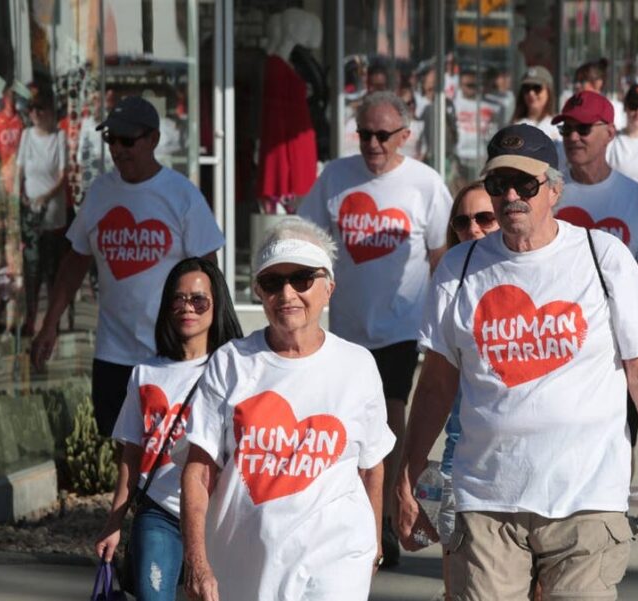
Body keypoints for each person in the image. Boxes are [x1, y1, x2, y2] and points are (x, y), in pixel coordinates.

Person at [395, 123, 638, 599]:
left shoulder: (604, 257)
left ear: (554, 189)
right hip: (487, 499)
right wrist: (408, 476)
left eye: (526, 184)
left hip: (587, 500)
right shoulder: (460, 267)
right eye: (499, 185)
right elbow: (435, 384)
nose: (511, 195)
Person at [180, 218, 396, 601]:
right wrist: (196, 560)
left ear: (328, 288)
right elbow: (199, 471)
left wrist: (374, 540)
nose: (287, 293)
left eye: (302, 278)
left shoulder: (358, 365)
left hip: (338, 554)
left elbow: (372, 464)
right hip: (246, 562)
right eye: (272, 282)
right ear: (260, 293)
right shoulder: (232, 362)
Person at [298, 90, 450, 567]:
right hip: (345, 327)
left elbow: (443, 254)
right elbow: (305, 238)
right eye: (364, 133)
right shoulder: (335, 178)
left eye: (383, 135)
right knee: (344, 423)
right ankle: (349, 512)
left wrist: (440, 320)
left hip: (401, 325)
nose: (373, 144)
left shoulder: (425, 184)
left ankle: (387, 517)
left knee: (389, 416)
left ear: (404, 135)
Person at [30, 95, 225, 436]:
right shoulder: (100, 193)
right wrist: (49, 324)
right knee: (118, 444)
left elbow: (209, 273)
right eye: (111, 140)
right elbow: (75, 262)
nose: (117, 149)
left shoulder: (181, 195)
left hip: (170, 350)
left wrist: (210, 343)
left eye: (127, 140)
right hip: (113, 351)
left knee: (167, 451)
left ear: (153, 140)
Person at [95, 258, 242, 601]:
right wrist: (113, 522)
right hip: (159, 511)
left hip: (218, 514)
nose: (187, 308)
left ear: (216, 305)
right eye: (178, 299)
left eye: (198, 300)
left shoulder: (236, 370)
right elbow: (131, 453)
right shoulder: (145, 373)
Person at [554, 90, 638, 447]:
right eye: (566, 130)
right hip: (560, 342)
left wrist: (633, 339)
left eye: (583, 128)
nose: (573, 137)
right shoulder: (548, 195)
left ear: (609, 132)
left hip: (618, 352)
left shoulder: (636, 199)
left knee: (620, 443)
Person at [436, 180, 500, 592]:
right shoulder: (449, 282)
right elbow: (434, 387)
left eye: (484, 218)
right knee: (460, 587)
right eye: (462, 221)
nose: (473, 228)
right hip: (462, 463)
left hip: (534, 471)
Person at [15, 89, 67, 338]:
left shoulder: (59, 137)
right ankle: (30, 317)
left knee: (52, 269)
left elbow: (62, 175)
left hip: (52, 212)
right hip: (30, 211)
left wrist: (45, 197)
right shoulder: (26, 135)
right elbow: (19, 170)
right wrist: (20, 197)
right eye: (31, 109)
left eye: (39, 109)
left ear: (49, 112)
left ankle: (52, 320)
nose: (34, 113)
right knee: (31, 266)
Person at [511, 65, 560, 141]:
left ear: (549, 91)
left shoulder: (560, 126)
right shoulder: (514, 128)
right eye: (526, 88)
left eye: (537, 88)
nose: (531, 93)